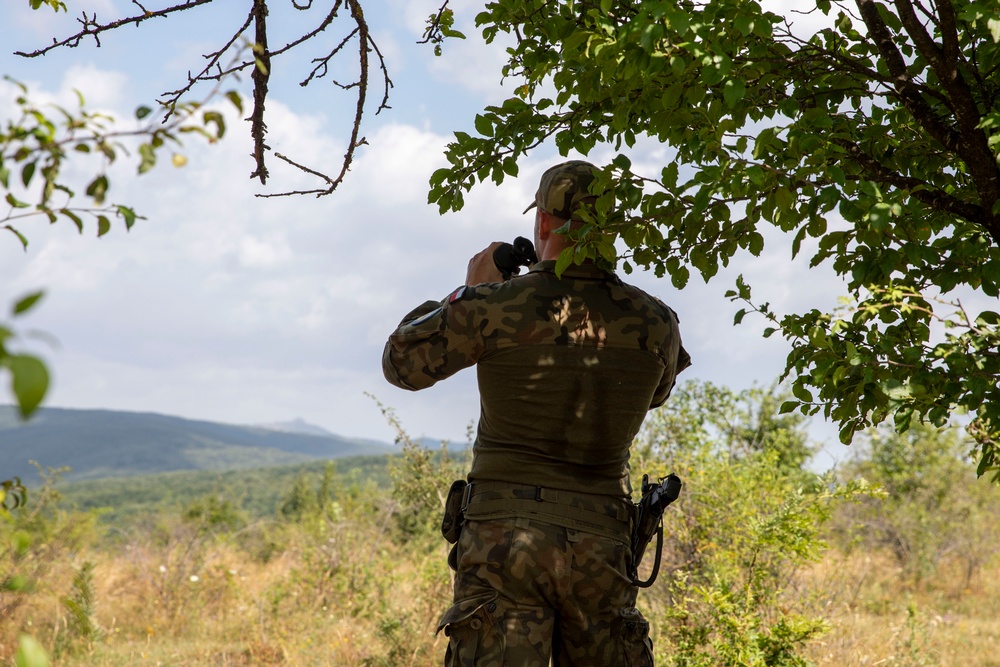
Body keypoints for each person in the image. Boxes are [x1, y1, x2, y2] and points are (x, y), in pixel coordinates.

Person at [382, 160, 691, 666]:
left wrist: (467, 293)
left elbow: (402, 363)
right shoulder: (655, 321)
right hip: (603, 544)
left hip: (504, 542)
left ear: (543, 224)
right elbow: (655, 393)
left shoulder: (496, 304)